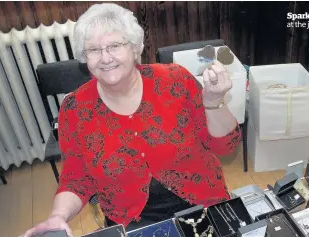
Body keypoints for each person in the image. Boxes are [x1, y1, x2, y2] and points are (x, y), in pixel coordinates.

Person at [23, 3, 241, 237]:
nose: (105, 58)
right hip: (133, 221)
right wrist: (58, 215)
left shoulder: (175, 81)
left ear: (135, 48)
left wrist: (214, 100)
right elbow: (76, 178)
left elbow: (225, 146)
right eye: (93, 50)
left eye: (115, 45)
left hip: (204, 204)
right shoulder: (75, 109)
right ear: (83, 58)